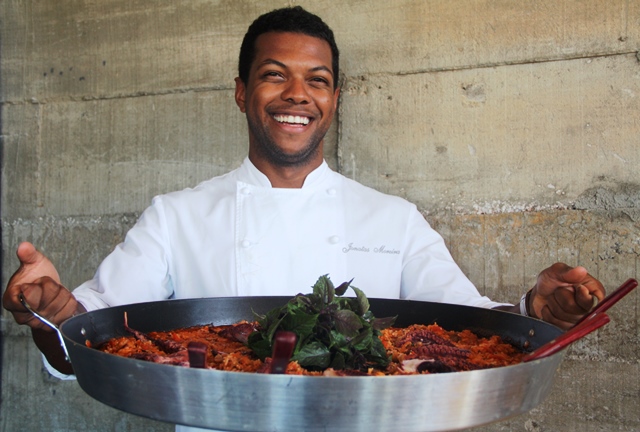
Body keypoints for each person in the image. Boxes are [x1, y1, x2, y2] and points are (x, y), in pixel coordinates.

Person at [3, 6, 605, 431]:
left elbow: (471, 330)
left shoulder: (392, 219)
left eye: (317, 80)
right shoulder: (176, 217)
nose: (298, 94)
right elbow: (83, 344)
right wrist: (52, 316)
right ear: (241, 92)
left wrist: (532, 315)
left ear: (335, 98)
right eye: (274, 75)